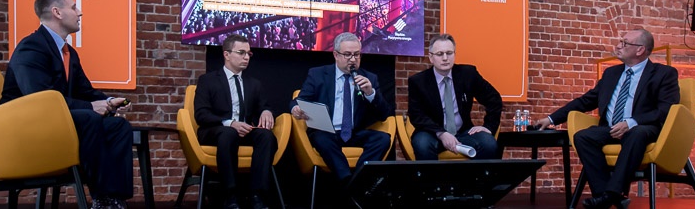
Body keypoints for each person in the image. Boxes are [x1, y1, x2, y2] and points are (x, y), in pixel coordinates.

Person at [0, 0, 133, 209]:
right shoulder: (31, 48)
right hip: (24, 128)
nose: (80, 12)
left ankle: (111, 199)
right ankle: (102, 196)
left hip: (53, 121)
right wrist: (91, 107)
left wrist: (110, 102)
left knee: (118, 126)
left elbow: (85, 91)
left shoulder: (69, 53)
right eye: (74, 7)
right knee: (89, 118)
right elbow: (41, 99)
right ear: (57, 12)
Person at [534, 29, 679, 209]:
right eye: (620, 41)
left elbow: (666, 109)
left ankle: (611, 194)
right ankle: (607, 195)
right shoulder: (611, 73)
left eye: (624, 43)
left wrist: (630, 123)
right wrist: (551, 119)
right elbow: (586, 101)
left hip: (642, 128)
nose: (618, 46)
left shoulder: (663, 73)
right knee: (583, 136)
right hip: (611, 128)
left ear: (640, 50)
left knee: (637, 133)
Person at [290, 32, 393, 185]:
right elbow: (299, 100)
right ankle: (350, 182)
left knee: (383, 139)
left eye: (357, 55)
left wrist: (370, 93)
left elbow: (384, 114)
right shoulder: (318, 74)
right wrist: (296, 108)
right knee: (321, 138)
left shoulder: (369, 78)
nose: (353, 59)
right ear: (336, 55)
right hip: (328, 132)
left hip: (354, 132)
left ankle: (357, 181)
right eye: (347, 54)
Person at [194, 34, 276, 209]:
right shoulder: (207, 80)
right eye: (241, 52)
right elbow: (201, 114)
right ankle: (230, 195)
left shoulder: (254, 84)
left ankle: (257, 195)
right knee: (228, 133)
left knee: (266, 136)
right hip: (217, 129)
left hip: (244, 129)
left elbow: (264, 106)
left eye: (249, 53)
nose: (246, 57)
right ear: (227, 54)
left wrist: (267, 111)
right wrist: (230, 123)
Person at [408, 33, 502, 160]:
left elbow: (494, 99)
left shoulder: (468, 74)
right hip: (432, 133)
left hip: (463, 132)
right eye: (440, 54)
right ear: (431, 57)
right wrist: (441, 133)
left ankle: (476, 174)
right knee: (422, 144)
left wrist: (488, 127)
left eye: (449, 53)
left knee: (489, 143)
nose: (445, 58)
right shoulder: (418, 81)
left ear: (454, 54)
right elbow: (416, 115)